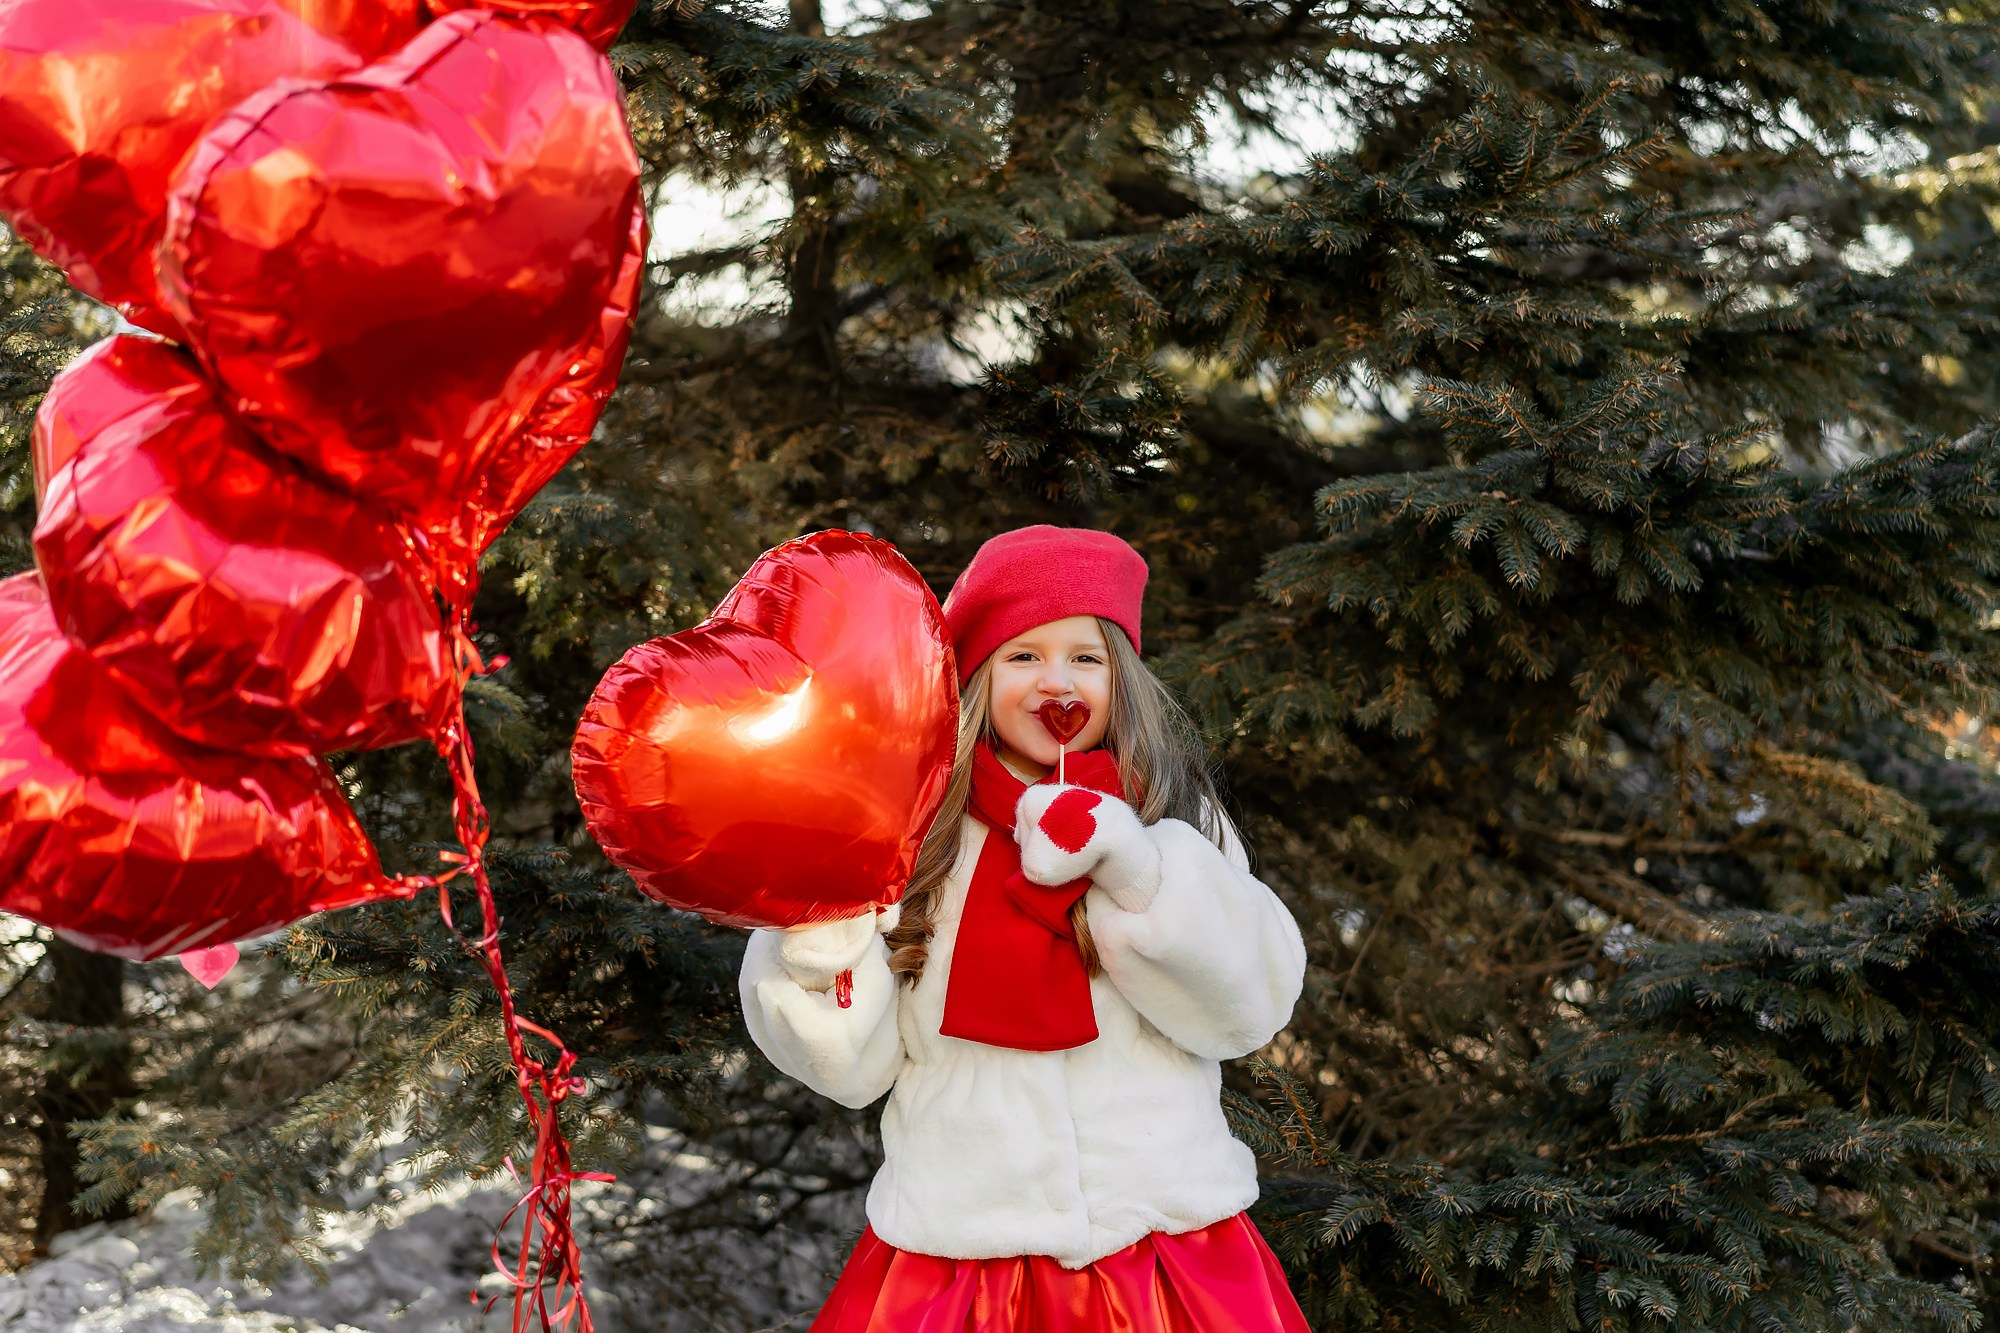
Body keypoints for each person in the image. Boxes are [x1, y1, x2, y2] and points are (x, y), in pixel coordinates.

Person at [739, 525, 1311, 1331]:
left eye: (1086, 656)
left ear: (1122, 676)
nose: (1057, 680)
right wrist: (815, 942)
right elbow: (852, 1069)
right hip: (959, 1260)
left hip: (1161, 1250)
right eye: (1023, 655)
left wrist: (1136, 872)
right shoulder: (911, 835)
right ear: (976, 677)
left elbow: (1246, 1009)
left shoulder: (1172, 818)